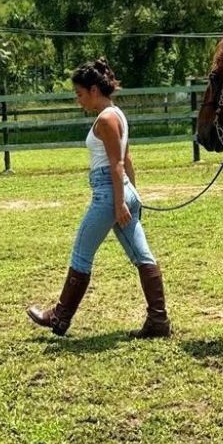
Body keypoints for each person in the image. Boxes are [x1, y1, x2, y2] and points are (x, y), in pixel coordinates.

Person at [27, 59, 170, 338]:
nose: (79, 101)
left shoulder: (105, 119)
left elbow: (116, 163)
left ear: (94, 90)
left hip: (108, 193)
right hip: (123, 190)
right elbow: (127, 159)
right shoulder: (118, 114)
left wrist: (119, 203)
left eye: (80, 94)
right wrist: (132, 197)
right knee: (142, 255)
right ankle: (158, 320)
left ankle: (59, 317)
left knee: (81, 253)